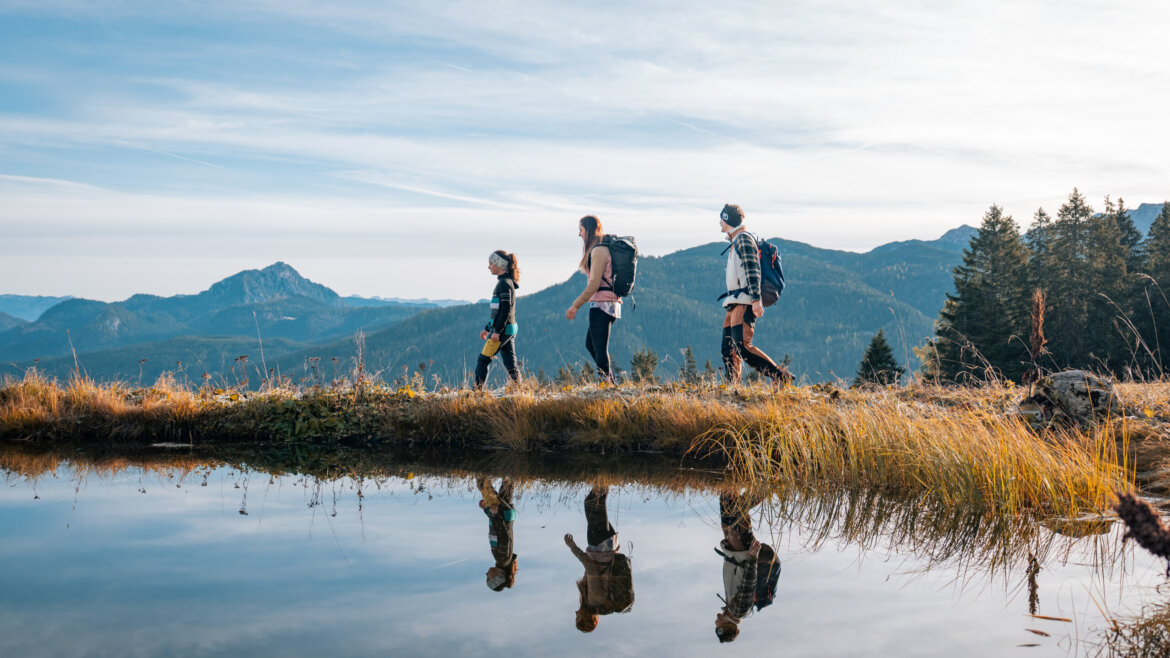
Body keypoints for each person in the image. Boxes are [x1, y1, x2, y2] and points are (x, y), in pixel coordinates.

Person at [718, 203, 793, 385]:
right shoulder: (737, 241)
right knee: (728, 349)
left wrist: (756, 300)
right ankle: (732, 387)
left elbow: (753, 271)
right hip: (734, 301)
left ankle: (782, 377)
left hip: (744, 301)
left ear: (727, 219)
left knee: (743, 347)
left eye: (722, 218)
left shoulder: (743, 240)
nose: (719, 222)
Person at [564, 485, 634, 632]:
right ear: (586, 617)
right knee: (594, 502)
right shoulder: (595, 600)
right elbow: (591, 568)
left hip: (609, 546)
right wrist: (572, 547)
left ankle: (604, 476)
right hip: (599, 546)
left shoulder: (600, 602)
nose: (576, 613)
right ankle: (603, 472)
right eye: (578, 617)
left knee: (594, 502)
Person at [714, 490, 780, 643]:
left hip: (735, 548)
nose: (715, 620)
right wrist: (752, 556)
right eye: (717, 625)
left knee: (728, 506)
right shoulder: (739, 611)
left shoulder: (732, 607)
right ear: (723, 628)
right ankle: (768, 483)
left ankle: (735, 478)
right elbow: (748, 583)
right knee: (737, 511)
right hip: (743, 550)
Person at [565, 216, 621, 383]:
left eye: (581, 230)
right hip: (609, 303)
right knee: (592, 344)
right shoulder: (600, 248)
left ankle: (606, 384)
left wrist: (575, 305)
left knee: (600, 348)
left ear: (588, 231)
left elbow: (594, 283)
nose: (579, 234)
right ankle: (609, 380)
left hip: (602, 304)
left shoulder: (598, 250)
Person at [475, 250, 521, 390]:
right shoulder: (506, 282)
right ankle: (519, 389)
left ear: (498, 265)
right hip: (508, 329)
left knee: (483, 360)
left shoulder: (504, 284)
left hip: (502, 330)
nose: (489, 267)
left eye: (491, 264)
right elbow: (499, 311)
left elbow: (505, 310)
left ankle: (476, 391)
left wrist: (497, 331)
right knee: (510, 362)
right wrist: (487, 328)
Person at [478, 477, 518, 592]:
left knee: (508, 481)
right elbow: (503, 535)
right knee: (483, 483)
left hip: (503, 514)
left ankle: (512, 465)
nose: (486, 574)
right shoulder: (502, 559)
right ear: (497, 577)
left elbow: (494, 530)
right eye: (488, 577)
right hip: (503, 514)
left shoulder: (501, 559)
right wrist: (495, 515)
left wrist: (485, 509)